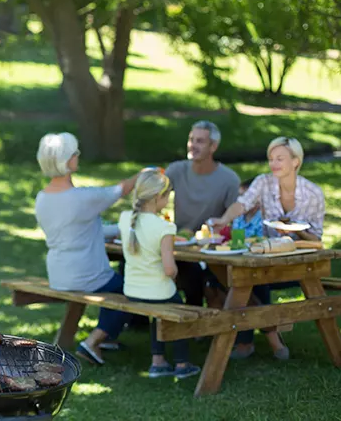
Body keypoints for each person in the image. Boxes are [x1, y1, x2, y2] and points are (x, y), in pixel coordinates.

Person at [209, 137, 325, 359]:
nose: (274, 164)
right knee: (238, 277)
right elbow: (242, 204)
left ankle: (249, 341)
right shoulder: (263, 182)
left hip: (301, 263)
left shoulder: (314, 194)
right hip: (268, 260)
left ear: (296, 161)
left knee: (247, 279)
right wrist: (224, 220)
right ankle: (257, 339)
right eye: (271, 159)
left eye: (280, 158)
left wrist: (294, 231)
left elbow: (317, 241)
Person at [34, 133, 138, 366]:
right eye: (74, 153)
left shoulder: (42, 198)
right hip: (85, 274)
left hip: (58, 274)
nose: (78, 156)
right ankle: (92, 341)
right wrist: (143, 175)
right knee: (131, 287)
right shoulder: (81, 197)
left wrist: (121, 229)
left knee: (116, 284)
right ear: (67, 161)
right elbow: (120, 190)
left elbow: (82, 228)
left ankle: (107, 337)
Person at [118, 169, 201, 379]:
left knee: (157, 313)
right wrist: (174, 276)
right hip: (158, 291)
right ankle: (182, 364)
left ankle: (158, 361)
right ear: (158, 198)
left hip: (132, 290)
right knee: (177, 310)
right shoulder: (164, 227)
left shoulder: (125, 218)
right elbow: (169, 269)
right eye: (167, 196)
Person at [165, 121, 240, 307]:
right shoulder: (176, 171)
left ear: (213, 147)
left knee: (194, 273)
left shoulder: (229, 180)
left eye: (200, 141)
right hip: (179, 245)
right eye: (191, 140)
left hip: (210, 250)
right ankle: (138, 322)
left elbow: (236, 220)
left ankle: (195, 322)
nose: (192, 145)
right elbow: (153, 197)